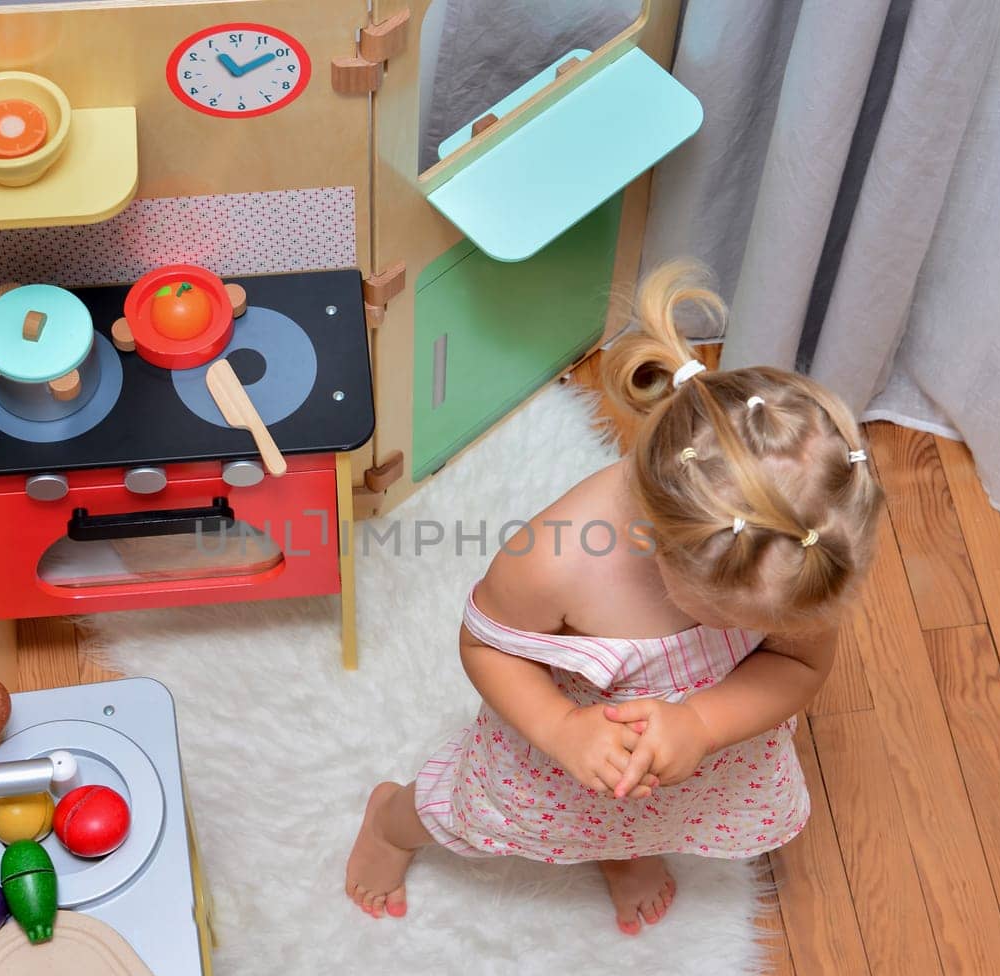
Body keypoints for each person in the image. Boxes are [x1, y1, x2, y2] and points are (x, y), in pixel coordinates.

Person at [344, 262, 887, 934]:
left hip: (697, 756)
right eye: (739, 620)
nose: (763, 631)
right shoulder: (555, 558)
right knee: (467, 805)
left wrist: (703, 725)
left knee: (651, 811)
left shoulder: (798, 556)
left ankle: (622, 851)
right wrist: (560, 729)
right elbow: (483, 645)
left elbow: (800, 667)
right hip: (558, 751)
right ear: (659, 544)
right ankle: (393, 821)